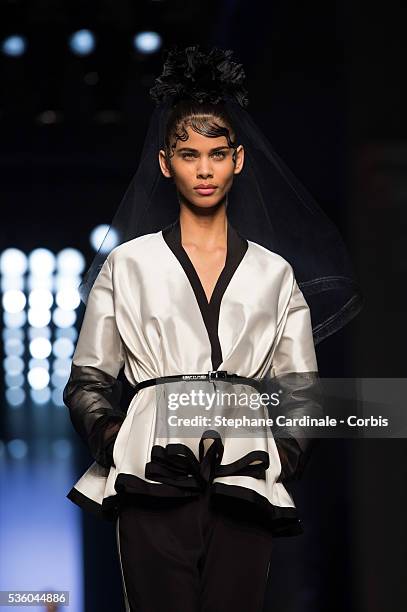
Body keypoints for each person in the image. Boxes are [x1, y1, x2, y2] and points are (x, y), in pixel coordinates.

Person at [63, 45, 363, 612]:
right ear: (164, 162)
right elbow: (88, 379)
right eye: (188, 154)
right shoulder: (128, 265)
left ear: (239, 160)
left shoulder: (275, 272)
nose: (204, 169)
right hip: (150, 471)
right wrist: (117, 442)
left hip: (246, 475)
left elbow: (303, 389)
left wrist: (284, 455)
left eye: (217, 154)